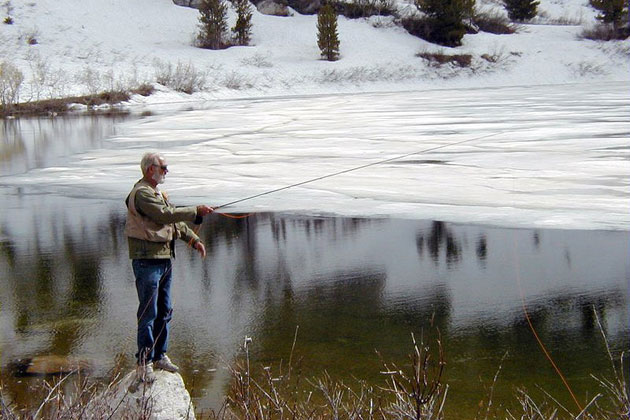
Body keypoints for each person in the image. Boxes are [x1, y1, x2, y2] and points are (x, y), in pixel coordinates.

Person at [125, 152, 213, 385]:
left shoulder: (155, 193)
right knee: (149, 312)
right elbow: (165, 215)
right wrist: (195, 211)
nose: (166, 171)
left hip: (163, 260)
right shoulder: (142, 193)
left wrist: (194, 240)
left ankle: (159, 355)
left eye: (166, 167)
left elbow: (174, 221)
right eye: (163, 167)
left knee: (165, 310)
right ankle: (144, 363)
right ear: (149, 169)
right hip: (147, 262)